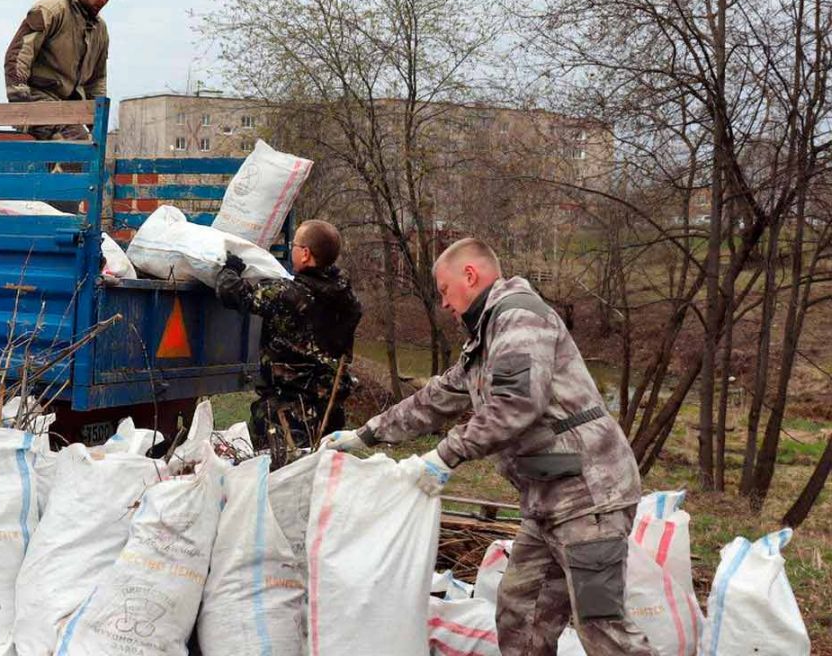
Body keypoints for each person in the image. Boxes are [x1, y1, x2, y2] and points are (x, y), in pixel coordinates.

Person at [321, 237, 653, 656]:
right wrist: (367, 433)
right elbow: (436, 398)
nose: (443, 304)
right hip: (548, 501)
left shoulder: (518, 319)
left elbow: (516, 403)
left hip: (589, 498)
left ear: (470, 275)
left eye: (444, 290)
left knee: (603, 626)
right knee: (520, 612)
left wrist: (446, 455)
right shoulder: (487, 336)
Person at [215, 219, 361, 454]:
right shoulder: (349, 299)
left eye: (294, 245)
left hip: (288, 414)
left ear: (305, 254)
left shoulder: (288, 295)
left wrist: (230, 268)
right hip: (330, 411)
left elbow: (232, 292)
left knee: (278, 479)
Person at [4, 0, 121, 141]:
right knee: (77, 144)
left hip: (67, 107)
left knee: (90, 150)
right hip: (37, 98)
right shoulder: (52, 10)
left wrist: (96, 122)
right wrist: (20, 105)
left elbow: (97, 79)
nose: (104, 0)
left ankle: (55, 169)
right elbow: (18, 54)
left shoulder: (100, 30)